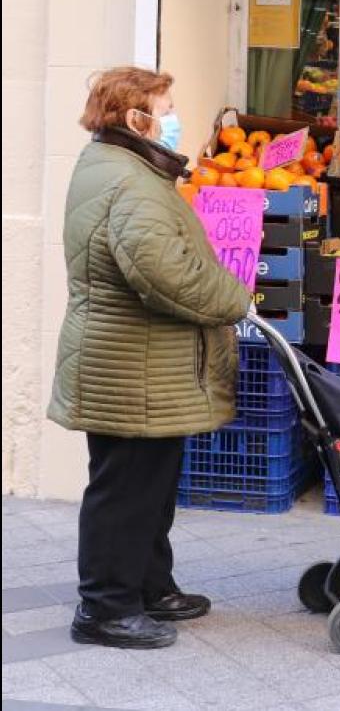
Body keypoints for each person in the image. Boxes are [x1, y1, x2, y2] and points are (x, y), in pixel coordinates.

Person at [48, 66, 252, 649]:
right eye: (167, 107)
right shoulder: (129, 181)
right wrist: (234, 299)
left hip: (137, 361)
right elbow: (162, 274)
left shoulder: (119, 167)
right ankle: (105, 608)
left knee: (150, 485)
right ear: (137, 118)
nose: (174, 118)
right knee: (125, 490)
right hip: (130, 364)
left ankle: (148, 587)